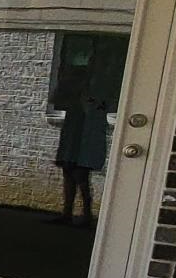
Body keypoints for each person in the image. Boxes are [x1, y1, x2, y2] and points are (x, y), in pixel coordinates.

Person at [48, 35, 126, 227]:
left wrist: (89, 101)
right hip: (74, 127)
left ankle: (87, 214)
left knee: (81, 173)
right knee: (68, 170)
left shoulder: (103, 84)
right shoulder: (77, 79)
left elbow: (104, 106)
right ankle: (67, 212)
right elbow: (58, 99)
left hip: (89, 130)